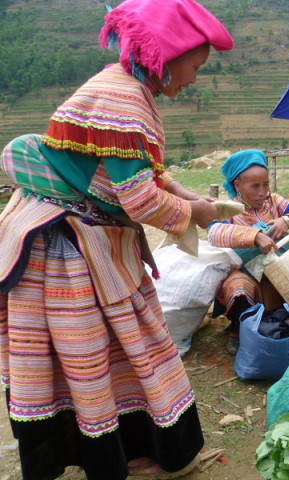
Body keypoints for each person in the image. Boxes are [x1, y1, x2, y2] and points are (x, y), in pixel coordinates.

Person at [0, 1, 234, 478]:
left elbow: (145, 174)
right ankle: (112, 455)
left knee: (112, 349)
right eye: (194, 66)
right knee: (92, 349)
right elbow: (140, 201)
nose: (193, 78)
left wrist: (186, 195)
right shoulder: (124, 101)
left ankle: (127, 450)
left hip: (81, 236)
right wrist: (200, 212)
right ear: (167, 55)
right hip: (62, 246)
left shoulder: (123, 88)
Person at [208, 149, 289, 355]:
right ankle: (240, 329)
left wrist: (287, 219)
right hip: (246, 272)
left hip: (278, 267)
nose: (262, 192)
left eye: (266, 184)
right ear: (237, 186)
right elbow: (214, 232)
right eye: (255, 186)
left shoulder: (274, 202)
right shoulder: (227, 209)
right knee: (237, 286)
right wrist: (254, 236)